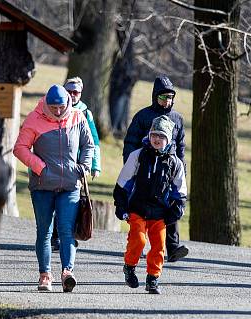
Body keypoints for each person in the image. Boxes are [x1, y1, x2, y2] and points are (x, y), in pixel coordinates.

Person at [13, 84, 94, 292]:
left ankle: (67, 272)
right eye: (53, 107)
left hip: (70, 184)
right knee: (45, 232)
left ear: (67, 102)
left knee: (67, 231)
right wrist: (40, 168)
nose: (57, 111)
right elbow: (20, 148)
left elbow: (88, 144)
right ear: (46, 104)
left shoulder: (77, 117)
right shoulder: (34, 118)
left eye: (61, 107)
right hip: (42, 186)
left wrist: (83, 166)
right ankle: (45, 275)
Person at [114, 115, 187, 294]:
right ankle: (129, 267)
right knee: (138, 240)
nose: (157, 139)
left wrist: (176, 210)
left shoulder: (175, 163)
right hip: (137, 208)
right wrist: (121, 205)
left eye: (162, 136)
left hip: (159, 212)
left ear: (168, 140)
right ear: (149, 135)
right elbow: (123, 182)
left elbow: (180, 191)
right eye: (154, 135)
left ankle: (153, 278)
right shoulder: (138, 155)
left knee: (158, 246)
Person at [123, 75, 189, 263]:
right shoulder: (143, 116)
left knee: (172, 205)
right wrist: (131, 166)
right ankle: (138, 244)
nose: (166, 101)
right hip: (145, 170)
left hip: (169, 171)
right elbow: (130, 142)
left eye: (169, 97)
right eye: (162, 97)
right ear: (155, 97)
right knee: (141, 208)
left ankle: (173, 247)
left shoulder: (177, 118)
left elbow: (181, 146)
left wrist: (181, 170)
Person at [51, 76, 101, 251]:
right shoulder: (55, 109)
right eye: (69, 91)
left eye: (76, 92)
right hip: (58, 163)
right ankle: (55, 235)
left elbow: (93, 140)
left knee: (72, 202)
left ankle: (68, 235)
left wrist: (95, 165)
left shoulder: (85, 113)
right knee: (56, 199)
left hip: (78, 166)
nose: (72, 95)